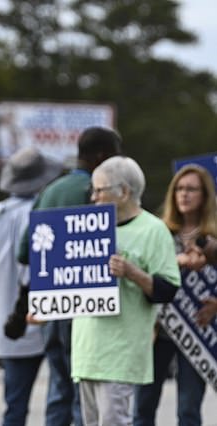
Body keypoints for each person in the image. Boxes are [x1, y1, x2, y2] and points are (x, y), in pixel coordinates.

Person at [16, 126, 122, 426]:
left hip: (51, 306)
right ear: (102, 156)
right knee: (83, 391)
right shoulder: (100, 194)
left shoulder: (50, 190)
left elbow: (24, 252)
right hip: (88, 311)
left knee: (58, 388)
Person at [71, 156, 181, 425]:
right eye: (93, 191)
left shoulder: (153, 230)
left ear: (124, 192)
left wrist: (133, 272)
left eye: (99, 190)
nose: (94, 197)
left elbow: (167, 289)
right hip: (86, 351)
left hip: (121, 352)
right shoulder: (87, 226)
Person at [0, 146, 63, 426]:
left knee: (14, 406)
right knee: (60, 399)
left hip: (5, 324)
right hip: (47, 318)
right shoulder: (46, 213)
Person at [134, 164, 217, 426]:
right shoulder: (158, 231)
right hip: (159, 329)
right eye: (179, 189)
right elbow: (142, 271)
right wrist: (178, 260)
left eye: (192, 189)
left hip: (197, 332)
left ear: (204, 195)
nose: (184, 194)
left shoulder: (213, 236)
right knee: (143, 405)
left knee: (188, 409)